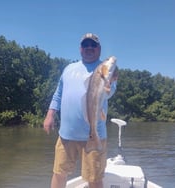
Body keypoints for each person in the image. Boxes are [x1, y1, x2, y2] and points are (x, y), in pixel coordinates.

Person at [43, 33, 117, 188]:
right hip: (66, 134)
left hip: (95, 134)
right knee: (59, 173)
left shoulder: (105, 70)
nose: (89, 48)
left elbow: (109, 93)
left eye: (93, 45)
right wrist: (50, 115)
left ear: (99, 49)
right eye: (85, 45)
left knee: (94, 178)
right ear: (80, 49)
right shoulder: (69, 68)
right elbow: (58, 93)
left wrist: (110, 80)